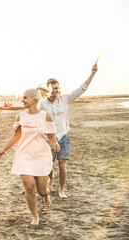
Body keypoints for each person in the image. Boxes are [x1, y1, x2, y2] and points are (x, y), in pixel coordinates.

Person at [0, 87, 60, 225]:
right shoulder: (20, 116)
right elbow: (16, 136)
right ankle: (35, 216)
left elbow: (51, 136)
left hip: (41, 155)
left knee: (42, 191)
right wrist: (4, 149)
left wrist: (55, 144)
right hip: (24, 155)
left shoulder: (45, 116)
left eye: (25, 98)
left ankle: (46, 196)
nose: (22, 100)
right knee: (29, 187)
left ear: (34, 100)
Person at [40, 63, 98, 198]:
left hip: (63, 137)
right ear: (47, 90)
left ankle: (61, 190)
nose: (55, 91)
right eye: (53, 89)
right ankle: (50, 180)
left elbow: (81, 89)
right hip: (48, 139)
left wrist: (92, 74)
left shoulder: (65, 99)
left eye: (57, 88)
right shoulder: (42, 104)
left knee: (62, 166)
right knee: (48, 166)